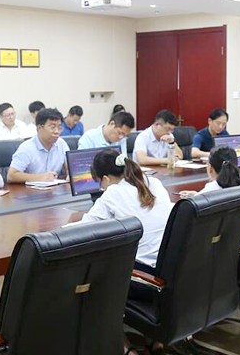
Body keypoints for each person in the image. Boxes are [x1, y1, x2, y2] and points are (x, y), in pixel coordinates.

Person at [76, 149, 173, 355]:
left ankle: (126, 347)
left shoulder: (113, 192)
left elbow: (84, 229)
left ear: (105, 179)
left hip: (144, 280)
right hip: (169, 274)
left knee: (93, 286)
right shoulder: (154, 182)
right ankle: (153, 340)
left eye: (100, 183)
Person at [179, 146, 240, 250]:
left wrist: (198, 196)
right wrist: (197, 195)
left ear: (210, 168)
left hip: (237, 252)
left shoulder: (212, 189)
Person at [8, 108, 69, 183]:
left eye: (59, 127)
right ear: (39, 128)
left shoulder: (61, 144)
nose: (57, 131)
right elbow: (11, 175)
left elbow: (70, 167)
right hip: (32, 190)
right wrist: (40, 177)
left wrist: (71, 175)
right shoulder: (27, 148)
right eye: (53, 127)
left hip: (55, 188)